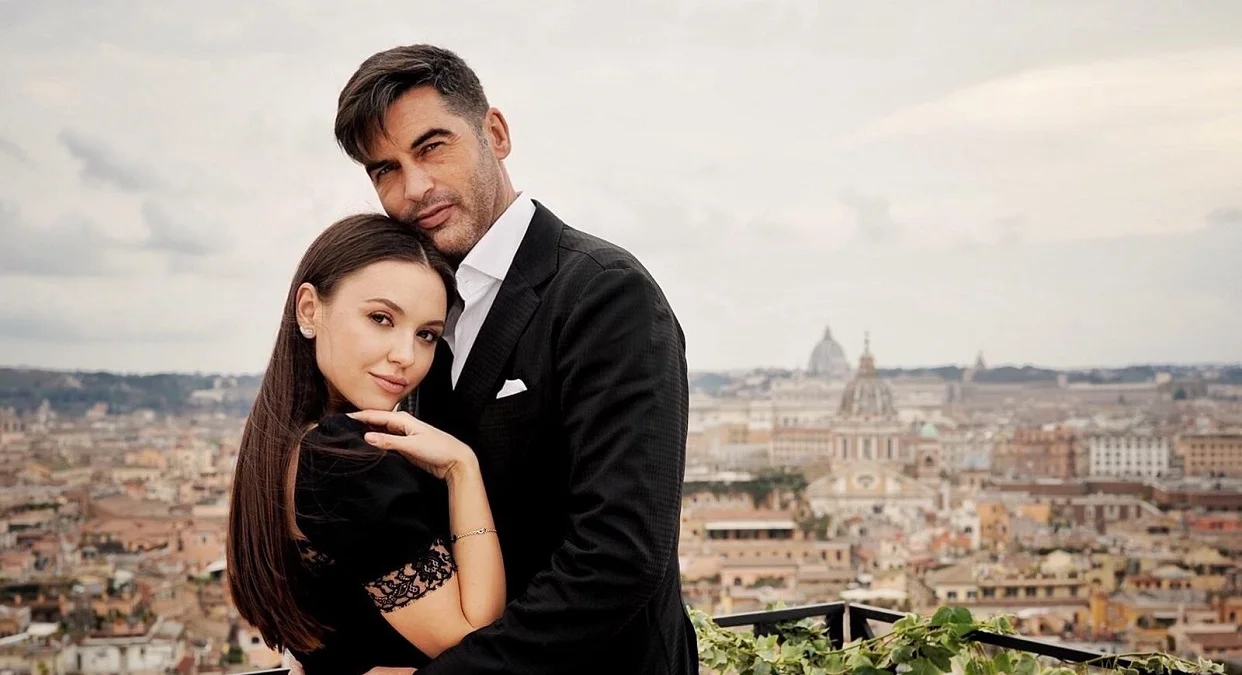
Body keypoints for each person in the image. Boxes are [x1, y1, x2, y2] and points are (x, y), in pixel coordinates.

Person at [331, 44, 697, 674]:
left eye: (432, 147)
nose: (414, 188)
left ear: (495, 134)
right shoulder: (417, 311)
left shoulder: (605, 291)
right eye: (385, 169)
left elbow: (618, 556)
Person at [226, 214, 508, 675]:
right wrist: (463, 468)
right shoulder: (344, 458)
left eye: (426, 334)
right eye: (381, 318)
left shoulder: (285, 442)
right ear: (309, 309)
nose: (406, 356)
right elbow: (473, 642)